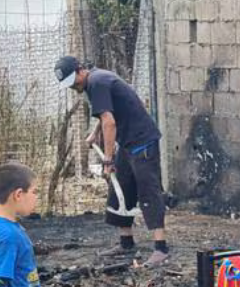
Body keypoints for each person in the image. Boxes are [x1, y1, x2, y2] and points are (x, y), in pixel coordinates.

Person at [54, 55, 170, 267]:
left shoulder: (97, 82)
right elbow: (105, 115)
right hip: (127, 143)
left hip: (142, 141)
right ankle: (126, 242)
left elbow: (109, 122)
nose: (74, 87)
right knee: (122, 189)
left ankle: (161, 248)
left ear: (81, 70)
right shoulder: (92, 82)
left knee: (148, 190)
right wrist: (94, 133)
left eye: (74, 82)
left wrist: (108, 160)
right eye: (70, 85)